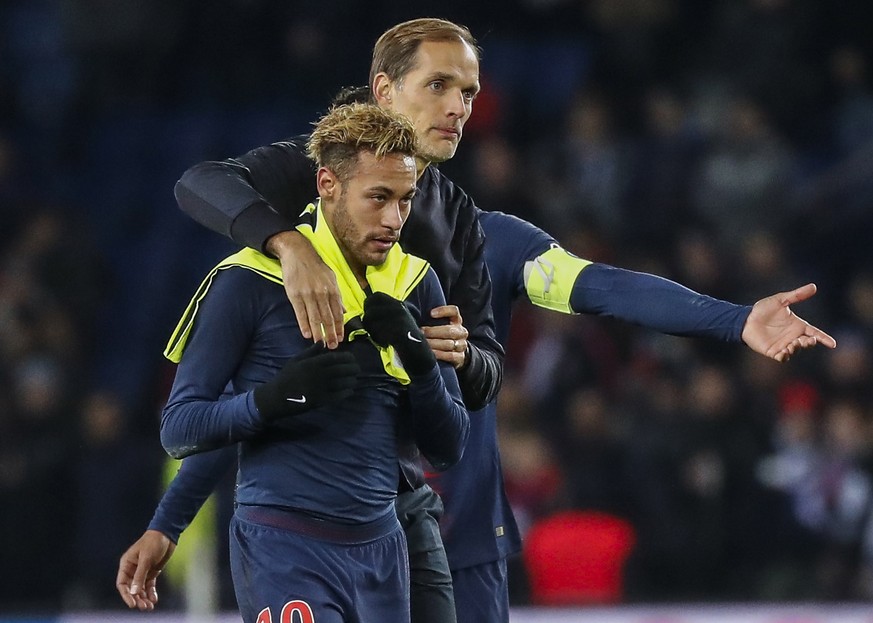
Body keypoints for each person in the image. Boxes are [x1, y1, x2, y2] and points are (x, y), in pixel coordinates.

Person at [117, 18, 837, 623]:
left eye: (469, 91)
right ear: (382, 92)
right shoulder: (294, 217)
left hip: (453, 541)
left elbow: (595, 290)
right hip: (328, 529)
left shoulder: (483, 237)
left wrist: (733, 318)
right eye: (438, 85)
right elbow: (204, 198)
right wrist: (170, 520)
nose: (458, 105)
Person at [155, 102, 470, 623]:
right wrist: (273, 400)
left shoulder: (415, 281)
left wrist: (420, 362)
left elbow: (448, 446)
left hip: (382, 547)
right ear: (327, 184)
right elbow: (179, 427)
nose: (394, 219)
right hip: (285, 544)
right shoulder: (247, 281)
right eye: (378, 198)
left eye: (405, 200)